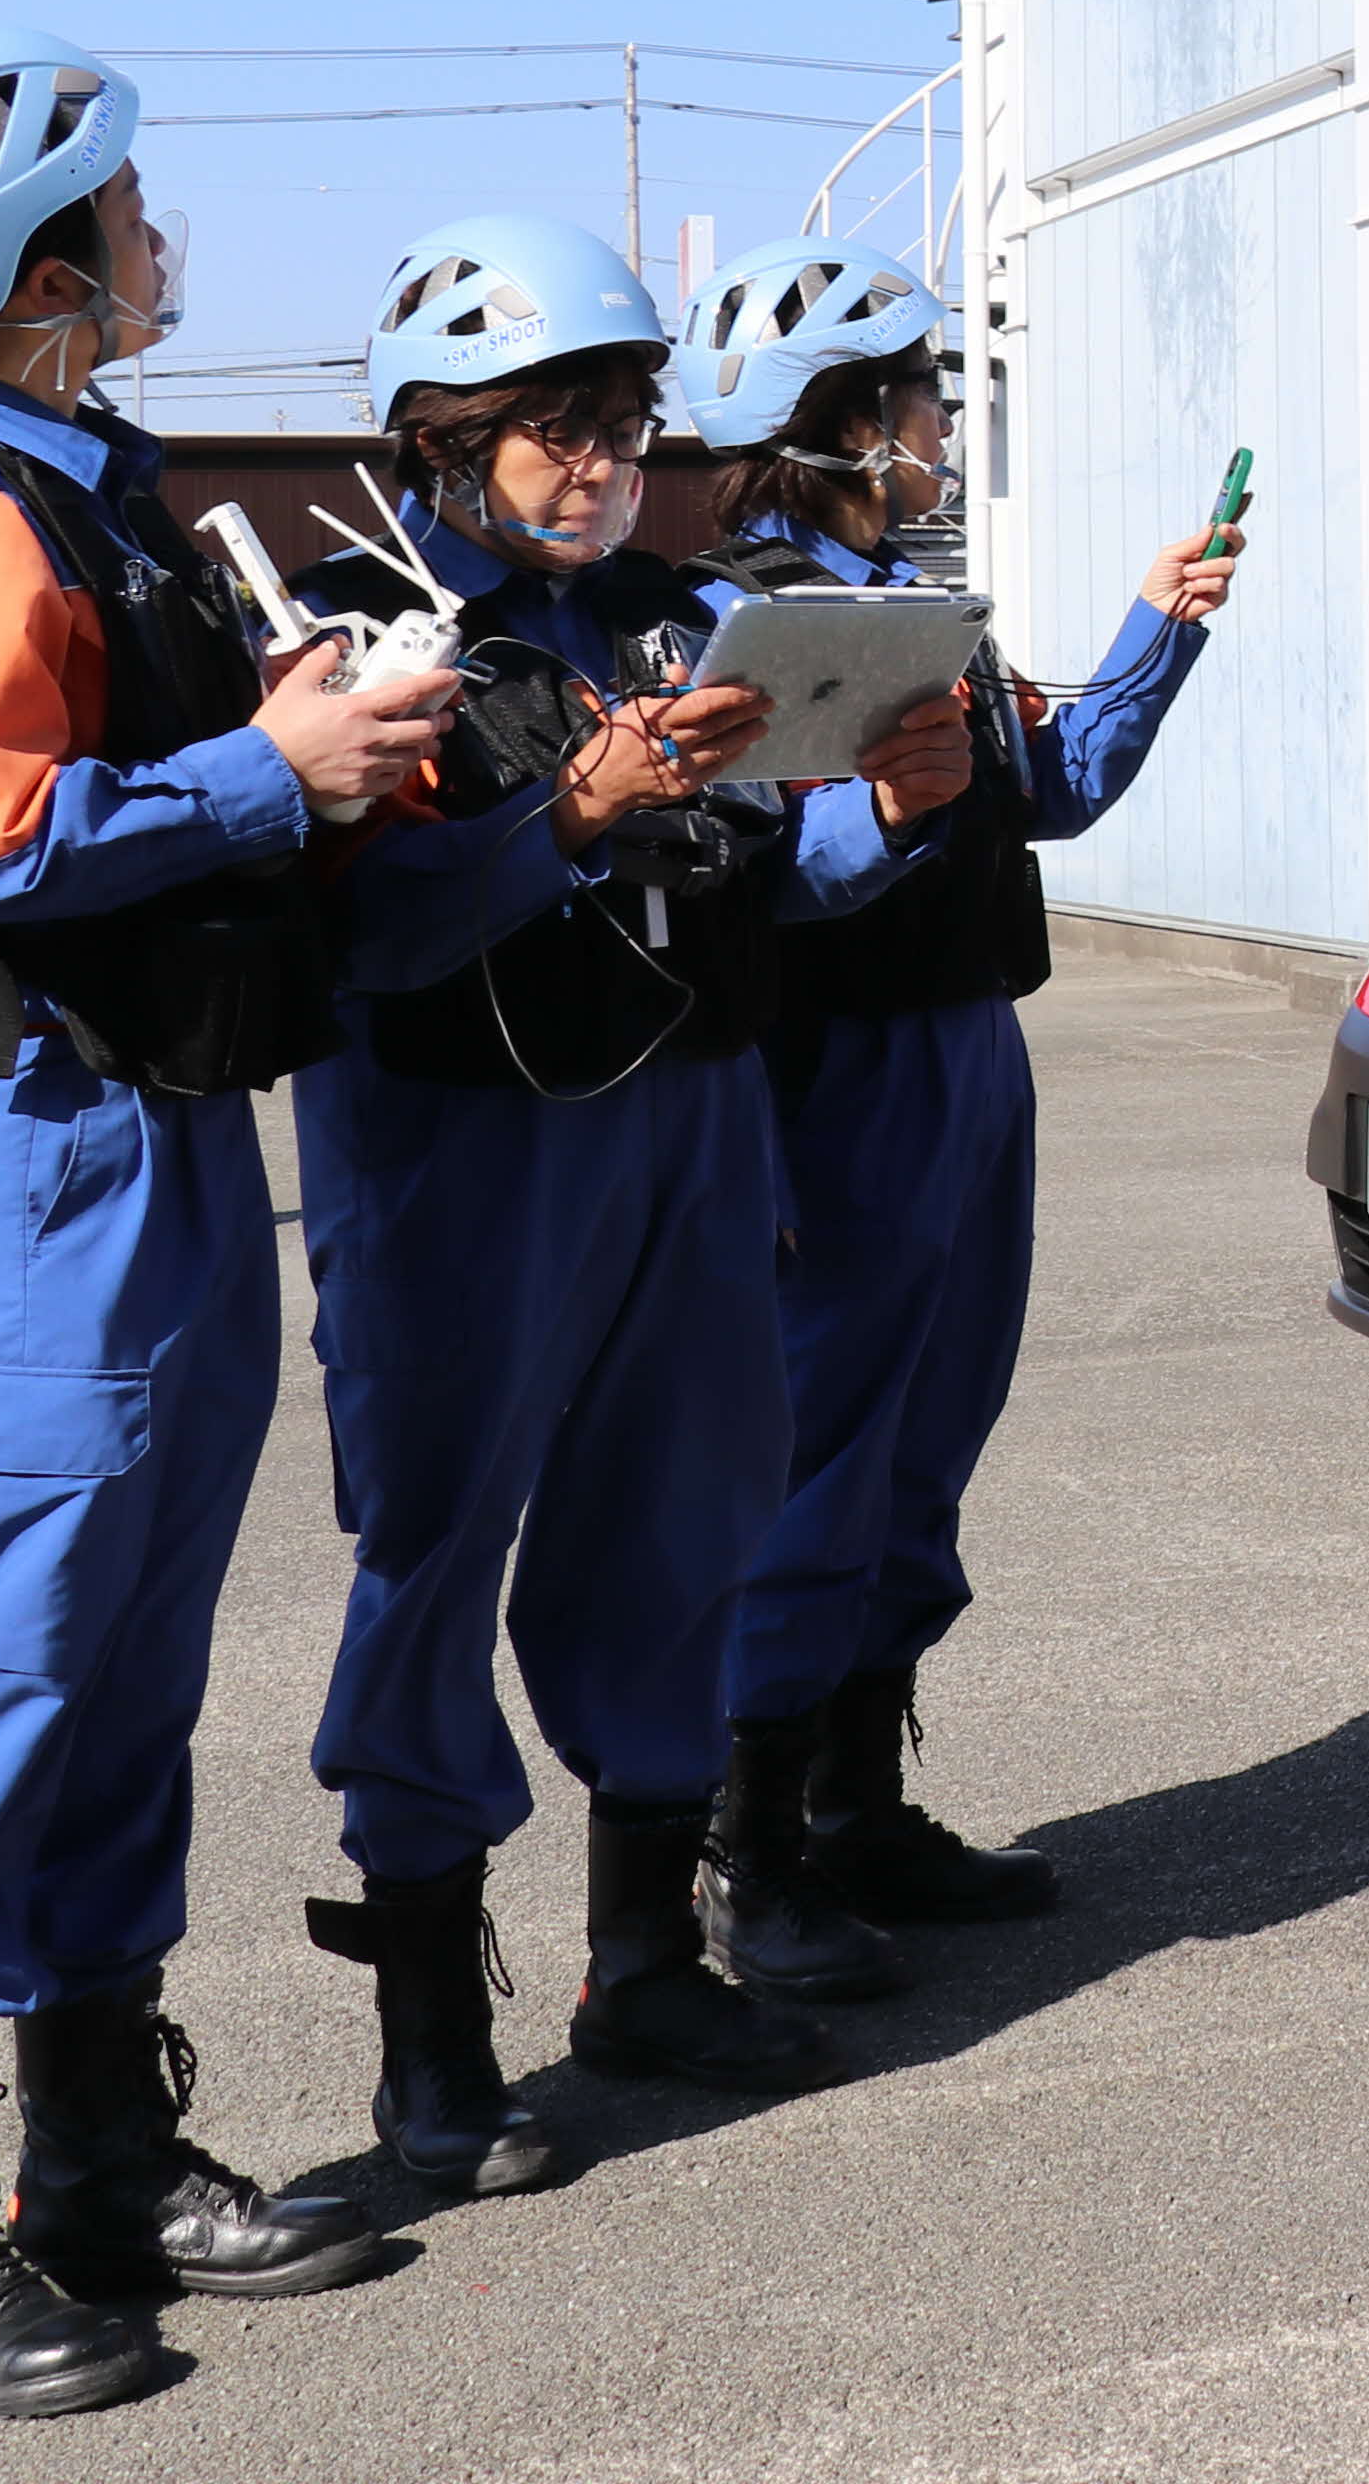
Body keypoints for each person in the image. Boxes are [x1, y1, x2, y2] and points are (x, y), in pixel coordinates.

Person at [0, 23, 451, 2418]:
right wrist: (268, 770)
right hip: (29, 1161)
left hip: (148, 1140)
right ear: (43, 271)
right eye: (130, 213)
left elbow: (130, 780)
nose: (161, 237)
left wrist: (313, 732)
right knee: (4, 1674)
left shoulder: (93, 476)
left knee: (127, 1664)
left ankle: (101, 2154)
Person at [283, 216, 972, 2198]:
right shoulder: (360, 633)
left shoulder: (690, 614)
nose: (595, 461)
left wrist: (890, 810)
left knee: (683, 1517)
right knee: (431, 1552)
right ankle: (431, 2041)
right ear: (439, 435)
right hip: (458, 1161)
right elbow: (372, 932)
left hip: (696, 1128)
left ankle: (648, 1957)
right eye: (547, 426)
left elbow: (786, 882)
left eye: (618, 421)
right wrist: (571, 808)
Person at [681, 238, 1228, 1943]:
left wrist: (1161, 630)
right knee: (818, 1452)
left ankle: (860, 1801)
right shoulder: (742, 626)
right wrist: (884, 822)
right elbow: (754, 878)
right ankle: (741, 1849)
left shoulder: (928, 611)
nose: (939, 423)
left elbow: (1048, 790)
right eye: (920, 395)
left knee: (927, 1440)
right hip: (828, 1083)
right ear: (843, 422)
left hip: (969, 1054)